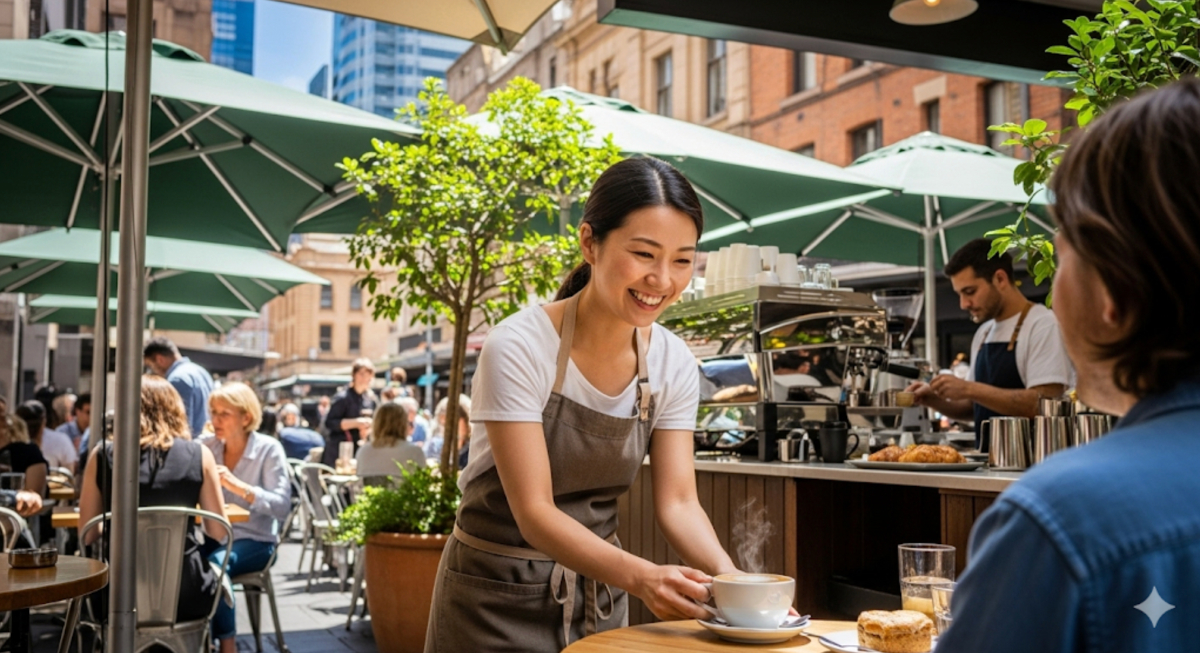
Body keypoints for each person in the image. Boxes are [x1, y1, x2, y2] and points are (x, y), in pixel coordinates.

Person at [425, 158, 738, 652]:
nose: (662, 279)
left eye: (682, 260)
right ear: (589, 242)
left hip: (600, 599)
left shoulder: (672, 360)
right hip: (491, 598)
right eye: (643, 254)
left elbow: (679, 503)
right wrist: (644, 578)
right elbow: (535, 512)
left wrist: (734, 582)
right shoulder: (519, 346)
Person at [937, 80, 1200, 653]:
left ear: (1115, 290)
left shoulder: (1058, 522)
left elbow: (1044, 398)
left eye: (1062, 255)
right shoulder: (985, 331)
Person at [78, 375, 228, 623]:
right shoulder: (199, 455)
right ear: (176, 410)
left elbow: (89, 533)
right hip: (185, 593)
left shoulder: (102, 454)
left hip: (117, 594)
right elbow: (218, 530)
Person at [906, 238, 1072, 451]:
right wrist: (931, 400)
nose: (963, 304)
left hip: (1031, 465)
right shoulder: (984, 333)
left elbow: (1044, 404)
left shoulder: (1042, 325)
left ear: (1000, 279)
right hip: (988, 464)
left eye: (970, 292)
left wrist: (969, 388)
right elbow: (974, 408)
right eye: (959, 295)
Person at [200, 382, 291, 653]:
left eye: (223, 414)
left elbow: (282, 506)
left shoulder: (268, 449)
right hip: (214, 535)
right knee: (178, 562)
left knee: (216, 566)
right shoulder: (208, 446)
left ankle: (228, 647)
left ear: (246, 417)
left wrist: (239, 487)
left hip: (256, 540)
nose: (215, 420)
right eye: (213, 412)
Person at [144, 336, 215, 437]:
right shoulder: (201, 371)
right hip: (205, 443)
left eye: (150, 366)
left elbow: (179, 425)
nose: (152, 371)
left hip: (189, 446)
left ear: (160, 359)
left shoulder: (176, 380)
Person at [321, 358, 377, 468]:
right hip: (339, 450)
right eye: (361, 374)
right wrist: (356, 422)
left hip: (360, 449)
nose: (365, 378)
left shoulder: (371, 399)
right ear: (354, 375)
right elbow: (330, 423)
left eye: (368, 375)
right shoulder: (343, 397)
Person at [355, 402, 426, 483]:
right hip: (401, 495)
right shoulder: (415, 452)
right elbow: (421, 485)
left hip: (372, 495)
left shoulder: (363, 451)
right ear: (403, 423)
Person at [16, 400, 77, 472]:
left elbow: (68, 476)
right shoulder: (8, 442)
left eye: (35, 423)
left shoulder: (60, 441)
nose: (32, 427)